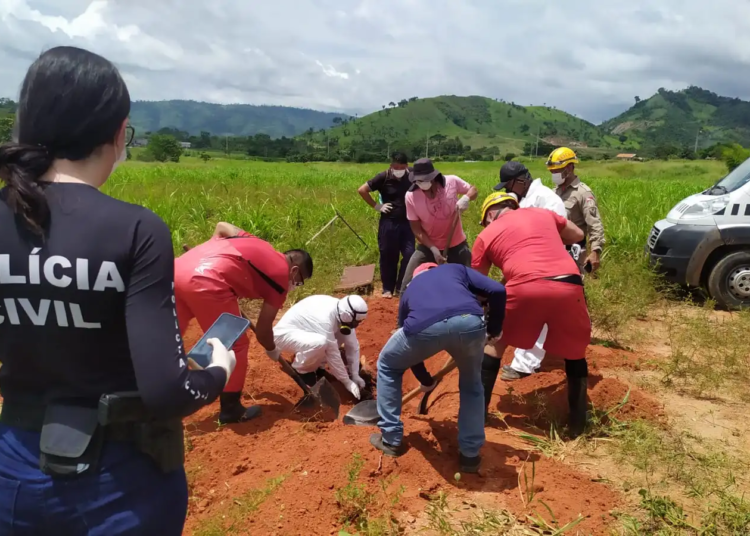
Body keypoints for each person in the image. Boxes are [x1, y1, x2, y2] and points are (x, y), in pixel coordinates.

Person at [0, 46, 233, 535]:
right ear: (115, 134)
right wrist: (216, 371)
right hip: (119, 485)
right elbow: (167, 390)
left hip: (14, 471)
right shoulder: (135, 230)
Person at [471, 193, 591, 438]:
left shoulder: (485, 236)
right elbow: (577, 235)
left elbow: (479, 287)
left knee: (495, 344)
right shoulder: (542, 213)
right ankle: (578, 423)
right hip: (569, 284)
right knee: (574, 353)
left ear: (490, 214)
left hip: (525, 286)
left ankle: (478, 415)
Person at [369, 262, 506, 474]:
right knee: (472, 386)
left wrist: (424, 378)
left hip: (424, 328)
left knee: (388, 364)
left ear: (417, 276)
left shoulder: (409, 292)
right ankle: (470, 456)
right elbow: (498, 290)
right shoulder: (455, 269)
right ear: (435, 269)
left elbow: (408, 349)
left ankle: (391, 439)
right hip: (470, 323)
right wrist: (494, 329)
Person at [175, 221, 313, 424]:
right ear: (294, 271)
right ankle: (231, 409)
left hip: (178, 269)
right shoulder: (281, 279)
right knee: (235, 342)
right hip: (208, 282)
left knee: (170, 336)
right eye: (299, 281)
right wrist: (272, 349)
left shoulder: (257, 242)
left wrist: (209, 253)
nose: (295, 285)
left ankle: (154, 392)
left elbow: (222, 226)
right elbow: (263, 331)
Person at [490, 161, 568, 381]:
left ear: (521, 181)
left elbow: (560, 234)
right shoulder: (526, 199)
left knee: (537, 314)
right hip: (529, 265)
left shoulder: (547, 200)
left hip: (546, 265)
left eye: (509, 185)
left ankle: (524, 364)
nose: (507, 191)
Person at [399, 158, 478, 289]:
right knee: (407, 285)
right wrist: (433, 249)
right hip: (428, 246)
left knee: (468, 283)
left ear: (433, 177)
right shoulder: (411, 196)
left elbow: (473, 190)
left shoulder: (452, 181)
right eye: (418, 181)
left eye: (424, 180)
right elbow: (416, 229)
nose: (421, 184)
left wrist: (466, 198)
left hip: (457, 244)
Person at [272, 295, 368, 400]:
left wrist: (355, 374)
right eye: (355, 322)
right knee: (321, 343)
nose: (356, 325)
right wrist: (346, 381)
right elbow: (332, 352)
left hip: (307, 330)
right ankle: (302, 371)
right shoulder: (326, 320)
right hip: (284, 335)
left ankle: (319, 366)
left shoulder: (342, 310)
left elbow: (353, 345)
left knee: (338, 336)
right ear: (347, 316)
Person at [357, 152, 415, 298]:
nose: (398, 170)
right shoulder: (383, 177)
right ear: (391, 166)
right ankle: (387, 288)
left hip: (408, 222)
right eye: (396, 167)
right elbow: (362, 190)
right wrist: (377, 206)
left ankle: (401, 286)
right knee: (388, 255)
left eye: (402, 167)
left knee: (410, 254)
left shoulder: (412, 175)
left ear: (407, 166)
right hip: (388, 222)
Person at [547, 147, 605, 274]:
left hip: (575, 252)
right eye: (552, 171)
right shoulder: (553, 192)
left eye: (556, 171)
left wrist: (596, 252)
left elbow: (595, 224)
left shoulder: (583, 193)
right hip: (554, 251)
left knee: (574, 289)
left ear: (568, 168)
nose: (554, 174)